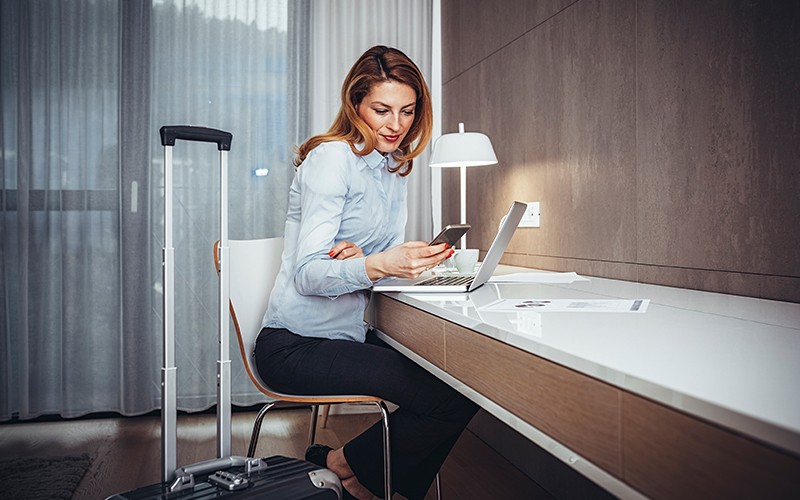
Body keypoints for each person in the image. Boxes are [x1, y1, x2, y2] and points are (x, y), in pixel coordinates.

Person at [255, 45, 478, 499]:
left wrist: (387, 261)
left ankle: (345, 464)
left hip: (344, 337)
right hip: (293, 345)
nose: (396, 125)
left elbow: (364, 264)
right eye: (382, 109)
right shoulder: (332, 158)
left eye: (407, 111)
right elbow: (308, 275)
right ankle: (357, 472)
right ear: (355, 105)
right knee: (450, 397)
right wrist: (377, 262)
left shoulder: (392, 169)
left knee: (463, 384)